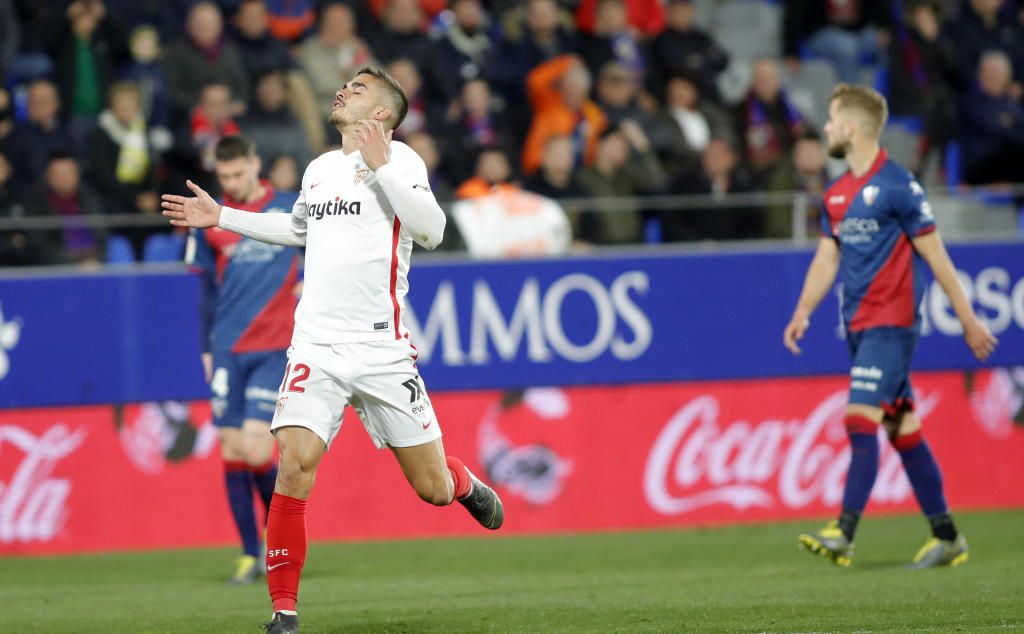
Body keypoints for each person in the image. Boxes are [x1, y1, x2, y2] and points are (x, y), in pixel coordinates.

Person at [162, 66, 504, 633]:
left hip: (381, 350)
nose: (343, 88)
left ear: (381, 115)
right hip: (315, 344)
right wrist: (223, 217)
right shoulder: (319, 169)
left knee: (432, 488)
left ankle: (462, 482)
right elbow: (298, 229)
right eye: (345, 83)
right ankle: (284, 613)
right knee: (293, 466)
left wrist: (382, 165)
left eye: (359, 88)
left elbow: (432, 229)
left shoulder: (404, 161)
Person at [783, 83, 997, 569]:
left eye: (833, 119)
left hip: (892, 326)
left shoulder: (899, 186)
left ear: (852, 129)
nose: (827, 127)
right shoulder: (836, 194)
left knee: (859, 417)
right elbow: (826, 259)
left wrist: (968, 319)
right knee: (905, 431)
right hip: (858, 330)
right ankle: (947, 536)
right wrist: (802, 312)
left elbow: (935, 253)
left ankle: (845, 531)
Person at [185, 134, 300, 585]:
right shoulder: (212, 218)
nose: (231, 183)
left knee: (256, 448)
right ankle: (250, 555)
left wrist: (309, 280)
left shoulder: (290, 207)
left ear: (256, 163)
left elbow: (326, 251)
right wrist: (207, 348)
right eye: (224, 176)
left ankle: (282, 541)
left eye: (238, 173)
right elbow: (207, 292)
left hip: (274, 347)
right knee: (232, 451)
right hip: (228, 348)